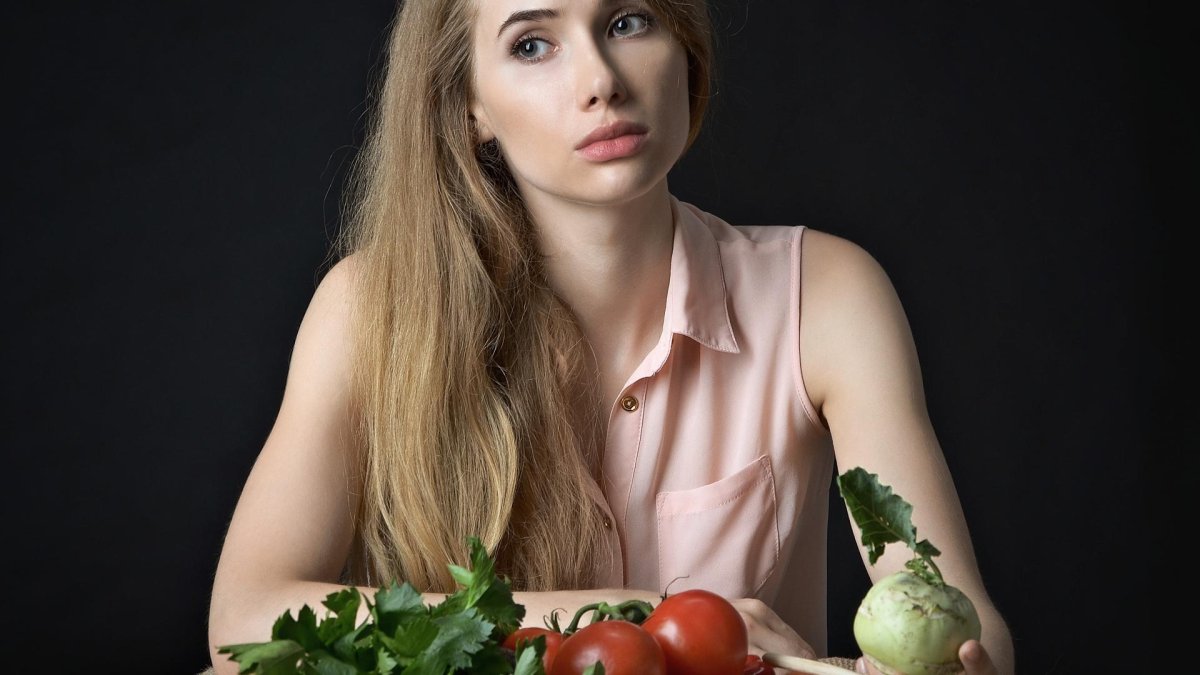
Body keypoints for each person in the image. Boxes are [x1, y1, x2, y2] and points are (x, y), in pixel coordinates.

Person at [207, 0, 1016, 673]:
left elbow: (947, 598)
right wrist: (642, 615)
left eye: (628, 21)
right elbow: (245, 615)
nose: (600, 81)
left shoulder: (827, 294)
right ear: (469, 107)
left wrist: (957, 659)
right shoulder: (367, 310)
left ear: (684, 49)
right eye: (533, 44)